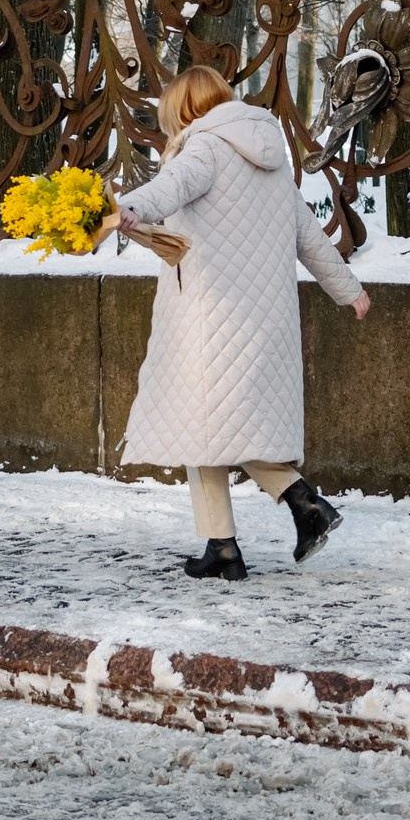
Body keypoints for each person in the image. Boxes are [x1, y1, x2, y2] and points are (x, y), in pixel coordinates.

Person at [117, 65, 371, 582]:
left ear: (184, 109)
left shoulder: (204, 149)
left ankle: (304, 502)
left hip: (211, 318)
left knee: (208, 424)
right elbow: (309, 237)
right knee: (203, 428)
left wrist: (127, 209)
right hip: (263, 319)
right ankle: (223, 547)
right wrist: (350, 290)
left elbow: (169, 188)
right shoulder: (272, 158)